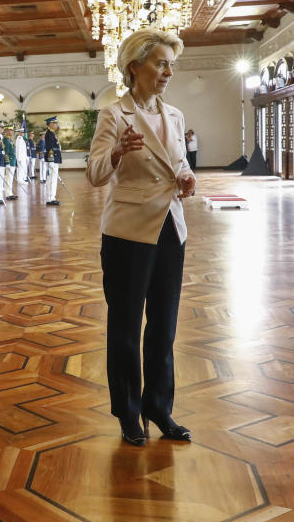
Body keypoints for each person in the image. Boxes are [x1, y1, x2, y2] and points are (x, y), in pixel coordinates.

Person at [86, 27, 196, 447]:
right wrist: (116, 152)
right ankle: (129, 412)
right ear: (135, 66)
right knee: (126, 326)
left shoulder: (175, 115)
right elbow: (96, 174)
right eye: (161, 63)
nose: (169, 71)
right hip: (128, 233)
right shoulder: (114, 115)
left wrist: (186, 179)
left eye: (171, 64)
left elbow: (180, 163)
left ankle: (159, 407)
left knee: (164, 326)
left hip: (171, 228)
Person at [43, 117, 62, 205]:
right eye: (55, 123)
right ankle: (50, 198)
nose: (56, 125)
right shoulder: (49, 134)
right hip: (52, 160)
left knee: (53, 179)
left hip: (55, 159)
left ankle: (52, 197)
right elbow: (49, 148)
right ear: (50, 124)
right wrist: (50, 160)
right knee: (51, 179)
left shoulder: (53, 133)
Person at [3, 125, 17, 200]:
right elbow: (6, 152)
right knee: (8, 178)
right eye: (10, 130)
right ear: (7, 131)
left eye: (12, 130)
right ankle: (7, 194)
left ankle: (10, 192)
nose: (12, 132)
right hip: (10, 161)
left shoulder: (10, 140)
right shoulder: (5, 139)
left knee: (10, 179)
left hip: (13, 161)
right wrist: (7, 162)